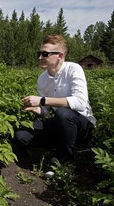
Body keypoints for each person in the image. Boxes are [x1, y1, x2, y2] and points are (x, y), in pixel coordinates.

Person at [14, 34, 96, 164]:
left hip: (82, 124)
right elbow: (46, 111)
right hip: (60, 123)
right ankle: (60, 143)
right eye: (39, 53)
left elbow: (80, 103)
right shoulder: (42, 78)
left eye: (45, 54)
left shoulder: (74, 69)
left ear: (60, 56)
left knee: (63, 113)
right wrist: (36, 108)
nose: (40, 57)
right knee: (21, 136)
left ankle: (66, 158)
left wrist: (42, 100)